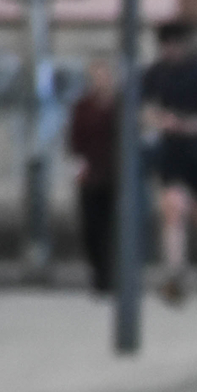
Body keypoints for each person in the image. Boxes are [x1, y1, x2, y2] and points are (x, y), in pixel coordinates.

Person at [139, 20, 197, 305]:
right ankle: (175, 273)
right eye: (165, 45)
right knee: (173, 206)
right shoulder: (157, 72)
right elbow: (143, 107)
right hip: (171, 150)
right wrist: (162, 120)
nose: (170, 50)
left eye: (174, 44)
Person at [66, 59, 120, 295]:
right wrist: (78, 167)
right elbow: (74, 141)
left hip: (116, 174)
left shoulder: (120, 106)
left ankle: (111, 275)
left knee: (113, 226)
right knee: (92, 227)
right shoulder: (83, 107)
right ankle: (99, 274)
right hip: (90, 174)